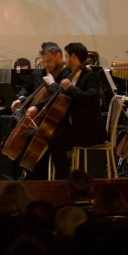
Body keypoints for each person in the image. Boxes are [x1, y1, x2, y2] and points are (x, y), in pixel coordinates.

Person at [17, 42, 106, 180]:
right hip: (73, 127)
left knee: (55, 140)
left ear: (74, 57)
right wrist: (37, 107)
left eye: (66, 56)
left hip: (88, 130)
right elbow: (59, 96)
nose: (65, 60)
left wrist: (69, 88)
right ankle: (36, 177)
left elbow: (90, 98)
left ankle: (62, 179)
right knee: (37, 134)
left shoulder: (90, 76)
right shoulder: (71, 76)